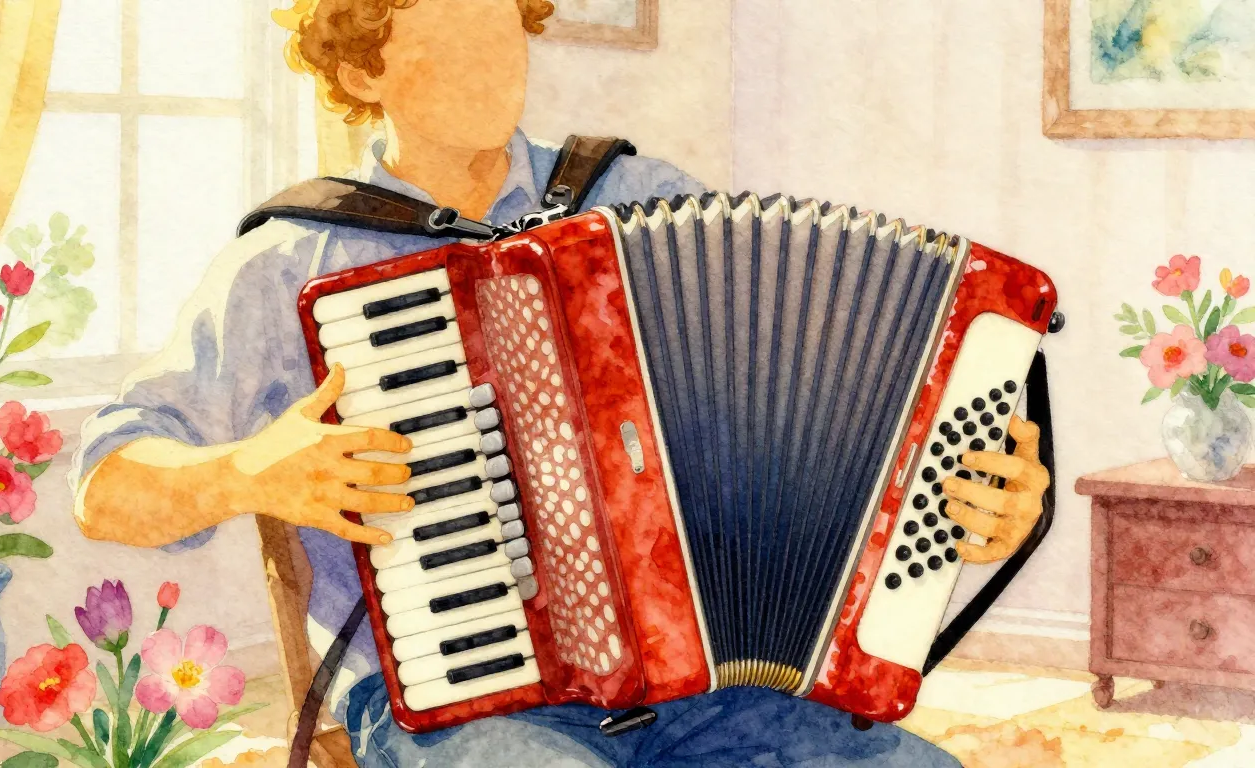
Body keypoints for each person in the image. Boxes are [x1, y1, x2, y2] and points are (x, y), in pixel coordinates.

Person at [70, 1, 1051, 765]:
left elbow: (828, 414)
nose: (492, 63)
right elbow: (105, 485)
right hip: (458, 705)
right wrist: (247, 471)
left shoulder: (639, 197)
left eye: (501, 30)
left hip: (709, 689)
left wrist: (974, 495)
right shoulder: (292, 260)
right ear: (364, 71)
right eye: (448, 40)